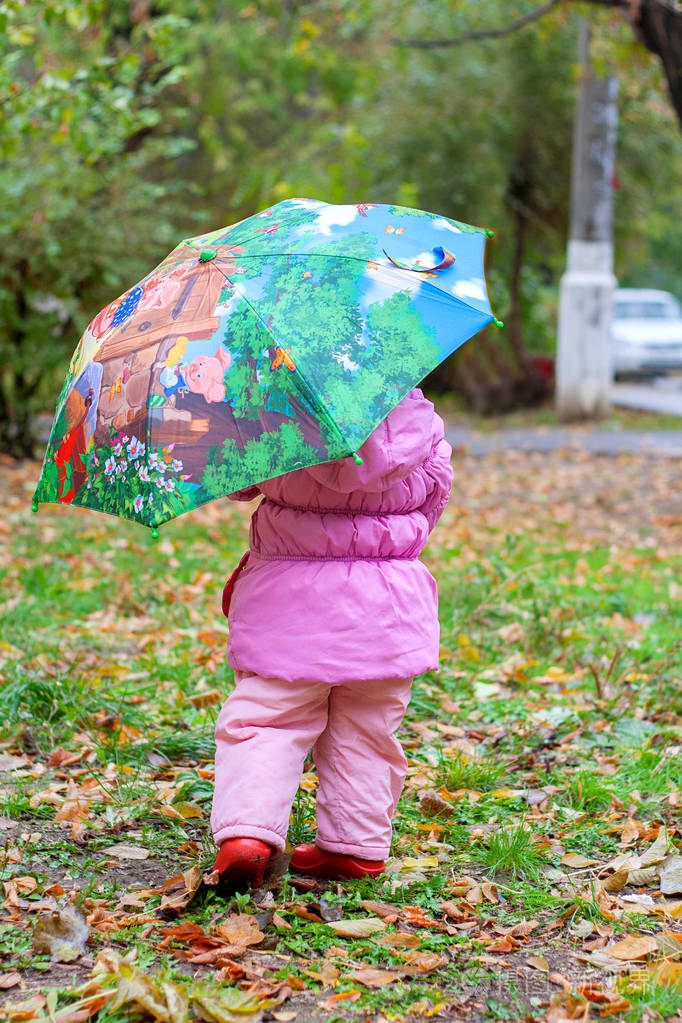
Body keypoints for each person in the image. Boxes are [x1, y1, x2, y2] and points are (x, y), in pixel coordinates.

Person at [210, 387, 453, 884]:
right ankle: (354, 847)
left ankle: (249, 834)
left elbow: (231, 478)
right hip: (388, 605)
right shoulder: (419, 421)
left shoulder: (275, 408)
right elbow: (435, 498)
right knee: (367, 729)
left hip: (291, 605)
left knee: (267, 718)